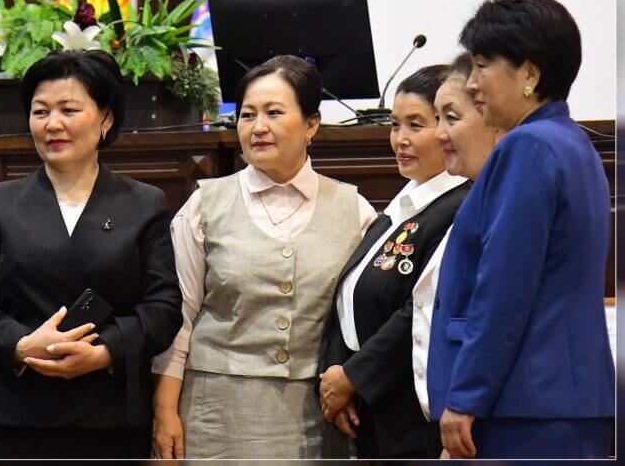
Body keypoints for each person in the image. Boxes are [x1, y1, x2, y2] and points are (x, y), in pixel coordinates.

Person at [0, 50, 182, 459]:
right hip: (17, 415)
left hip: (110, 417)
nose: (52, 124)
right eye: (40, 111)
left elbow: (163, 307)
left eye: (69, 110)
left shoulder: (143, 203)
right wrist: (22, 344)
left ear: (106, 119)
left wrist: (105, 351)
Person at [151, 55, 378, 459]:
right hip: (214, 415)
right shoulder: (204, 205)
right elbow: (177, 319)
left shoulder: (354, 210)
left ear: (311, 124)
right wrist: (165, 411)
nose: (257, 127)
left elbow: (364, 320)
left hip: (316, 416)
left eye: (274, 113)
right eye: (246, 115)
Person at [428, 0, 615, 459]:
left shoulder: (527, 146)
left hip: (523, 405)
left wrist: (465, 396)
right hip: (566, 401)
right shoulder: (574, 143)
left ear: (529, 73)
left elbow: (504, 285)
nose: (472, 83)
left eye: (482, 66)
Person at [318, 65, 471, 458]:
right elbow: (347, 293)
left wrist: (352, 377)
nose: (400, 139)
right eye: (394, 124)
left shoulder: (460, 205)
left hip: (412, 413)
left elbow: (419, 311)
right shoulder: (402, 203)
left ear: (446, 129)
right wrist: (336, 372)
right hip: (370, 407)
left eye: (415, 125)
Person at [411, 53, 502, 424]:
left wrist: (464, 404)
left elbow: (498, 314)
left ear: (493, 116)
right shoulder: (478, 196)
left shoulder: (504, 199)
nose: (438, 134)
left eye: (451, 117)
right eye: (438, 118)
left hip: (486, 416)